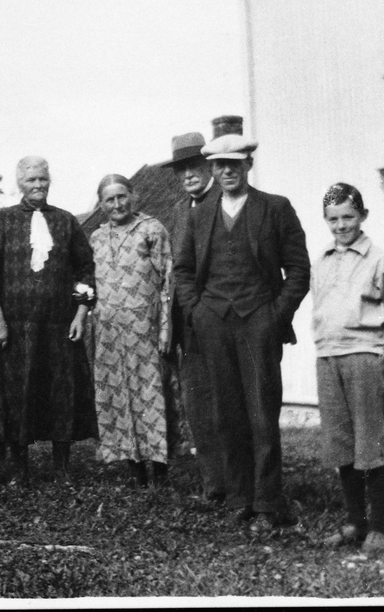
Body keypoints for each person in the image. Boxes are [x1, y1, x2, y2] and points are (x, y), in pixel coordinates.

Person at [173, 133, 310, 532]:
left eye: (235, 163)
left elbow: (298, 269)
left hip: (258, 321)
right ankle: (238, 497)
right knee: (226, 412)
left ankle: (267, 503)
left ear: (248, 163)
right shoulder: (199, 215)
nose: (227, 171)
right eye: (219, 165)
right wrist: (197, 311)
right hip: (213, 321)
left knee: (262, 412)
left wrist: (274, 313)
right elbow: (182, 270)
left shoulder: (275, 208)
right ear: (212, 169)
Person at [0, 156, 97, 485]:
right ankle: (21, 468)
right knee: (19, 393)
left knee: (61, 391)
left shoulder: (66, 221)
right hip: (17, 327)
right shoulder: (3, 220)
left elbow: (86, 269)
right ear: (20, 183)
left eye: (43, 179)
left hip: (59, 325)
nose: (38, 185)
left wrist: (81, 313)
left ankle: (61, 467)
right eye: (31, 180)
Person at [312, 183, 384, 553]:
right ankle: (355, 521)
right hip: (328, 358)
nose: (341, 226)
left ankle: (379, 527)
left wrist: (380, 358)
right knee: (342, 446)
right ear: (326, 221)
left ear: (363, 216)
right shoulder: (321, 260)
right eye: (334, 219)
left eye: (348, 217)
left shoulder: (382, 261)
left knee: (370, 445)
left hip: (365, 359)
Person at [89, 174, 188, 488]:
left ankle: (159, 472)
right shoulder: (96, 237)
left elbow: (168, 282)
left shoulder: (151, 229)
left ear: (132, 197)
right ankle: (134, 471)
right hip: (109, 336)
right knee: (119, 399)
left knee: (152, 397)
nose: (117, 205)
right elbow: (87, 286)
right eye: (110, 200)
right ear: (101, 204)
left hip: (145, 332)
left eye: (122, 197)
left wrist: (165, 329)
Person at [163, 128, 224, 502]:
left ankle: (238, 484)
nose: (189, 174)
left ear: (210, 166)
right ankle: (213, 484)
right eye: (182, 168)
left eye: (196, 165)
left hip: (223, 321)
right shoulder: (177, 211)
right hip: (189, 324)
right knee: (198, 404)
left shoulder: (227, 201)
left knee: (228, 405)